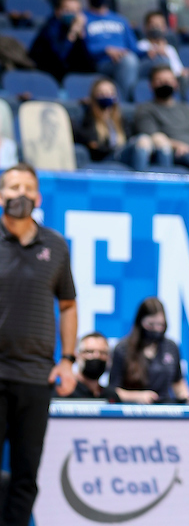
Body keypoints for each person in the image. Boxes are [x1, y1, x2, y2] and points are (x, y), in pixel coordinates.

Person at [0, 163, 77, 526]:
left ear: (37, 197)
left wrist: (68, 360)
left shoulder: (56, 246)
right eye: (12, 187)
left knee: (26, 476)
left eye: (26, 187)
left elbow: (68, 305)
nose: (19, 194)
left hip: (35, 377)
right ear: (1, 196)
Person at [108, 297, 189, 405]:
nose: (156, 329)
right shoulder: (123, 348)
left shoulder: (171, 347)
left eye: (160, 325)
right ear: (140, 322)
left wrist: (185, 396)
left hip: (164, 409)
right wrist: (137, 396)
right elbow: (112, 391)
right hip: (132, 411)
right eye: (151, 324)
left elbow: (178, 381)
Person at [73, 78, 160, 172]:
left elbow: (129, 138)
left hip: (122, 156)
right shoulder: (89, 118)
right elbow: (93, 145)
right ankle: (139, 182)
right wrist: (89, 107)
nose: (106, 96)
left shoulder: (121, 119)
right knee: (142, 140)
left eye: (110, 93)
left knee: (144, 140)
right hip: (106, 158)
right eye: (101, 94)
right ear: (94, 97)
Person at [134, 65, 189, 174]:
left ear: (176, 84)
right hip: (174, 154)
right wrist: (177, 145)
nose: (165, 84)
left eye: (169, 80)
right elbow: (152, 136)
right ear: (151, 85)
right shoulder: (145, 109)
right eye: (160, 81)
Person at [83, 0, 141, 100]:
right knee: (129, 61)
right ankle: (123, 105)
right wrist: (105, 50)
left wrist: (152, 51)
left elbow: (134, 48)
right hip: (100, 63)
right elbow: (80, 49)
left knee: (161, 62)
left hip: (126, 60)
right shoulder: (82, 18)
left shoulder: (121, 20)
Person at [29, 0, 94, 82]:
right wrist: (72, 34)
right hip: (48, 76)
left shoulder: (81, 29)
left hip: (71, 78)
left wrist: (82, 37)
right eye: (68, 10)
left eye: (76, 11)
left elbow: (89, 66)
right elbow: (59, 59)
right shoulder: (50, 28)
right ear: (57, 11)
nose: (73, 15)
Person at [136, 10, 186, 79]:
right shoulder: (141, 45)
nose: (157, 28)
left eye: (160, 25)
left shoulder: (170, 48)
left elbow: (179, 71)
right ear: (146, 27)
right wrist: (158, 52)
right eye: (153, 25)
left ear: (165, 28)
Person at [67, 332, 110, 400]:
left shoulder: (111, 397)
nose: (96, 356)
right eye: (90, 351)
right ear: (78, 355)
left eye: (102, 352)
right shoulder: (65, 392)